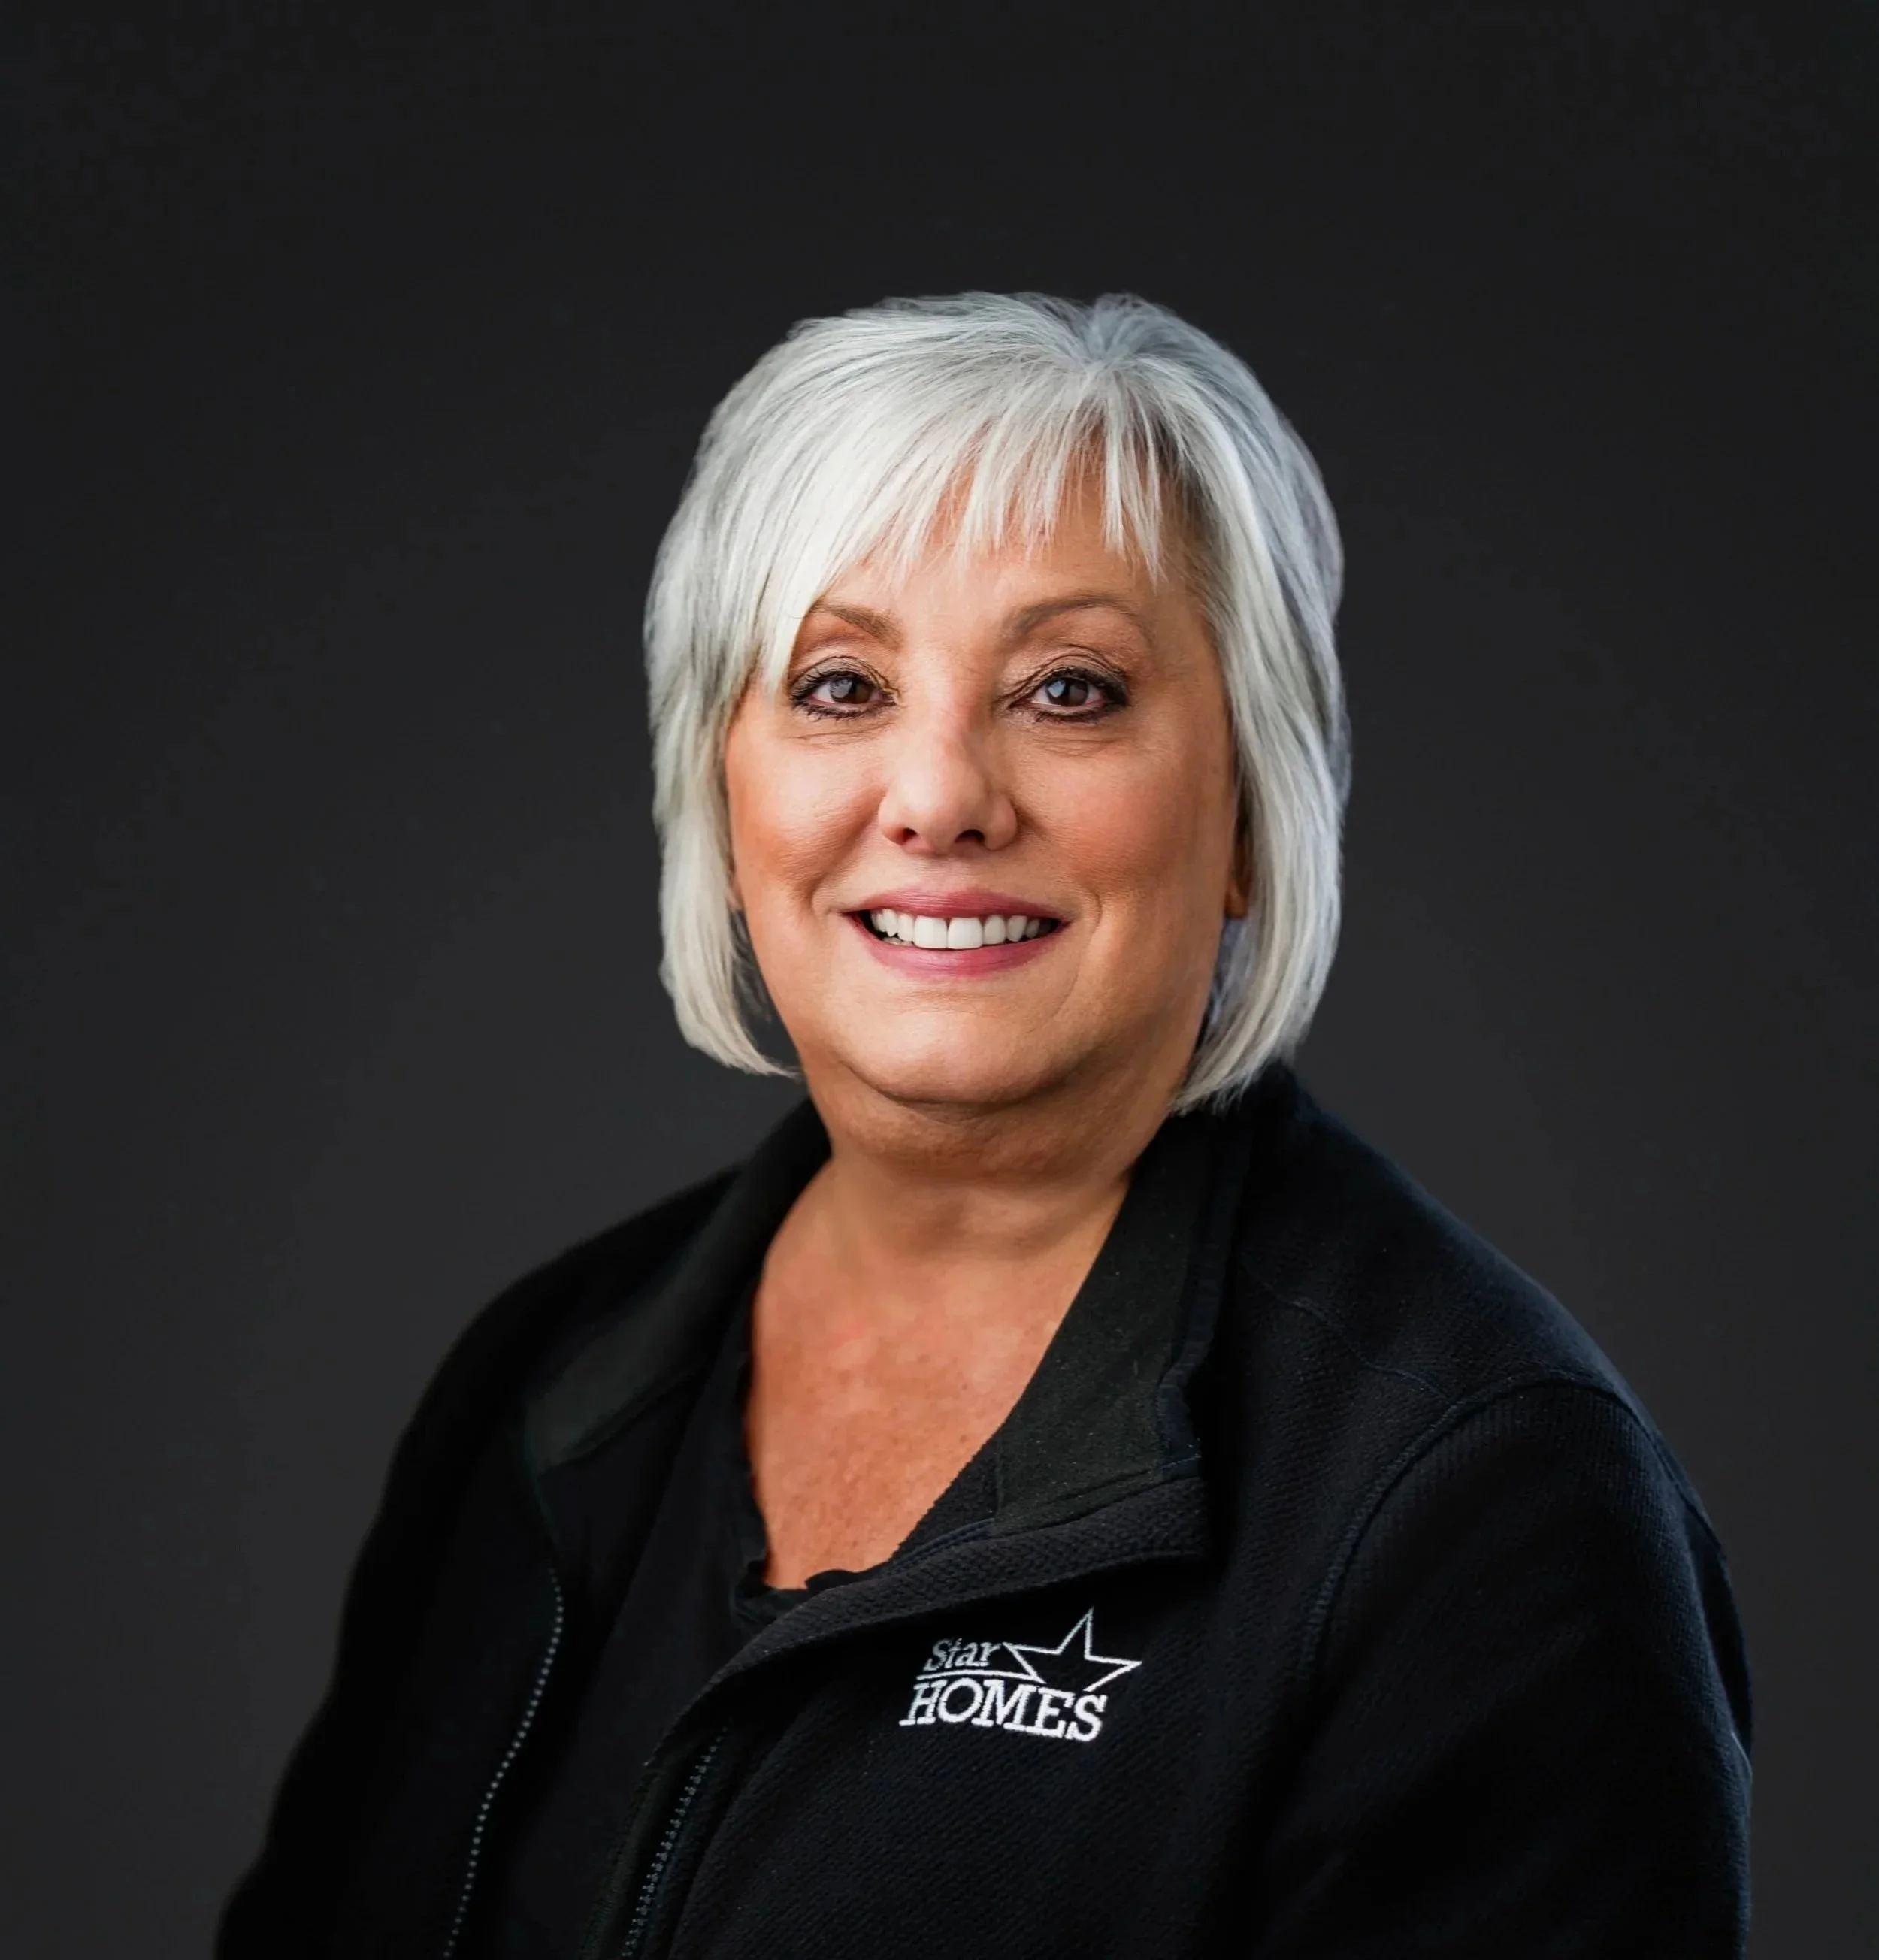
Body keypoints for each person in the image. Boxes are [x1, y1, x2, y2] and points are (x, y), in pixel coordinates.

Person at [219, 292, 1751, 1960]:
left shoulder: (1481, 1501)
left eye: (1070, 688)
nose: (940, 792)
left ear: (1247, 809)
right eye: (838, 683)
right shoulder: (538, 1391)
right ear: (721, 790)